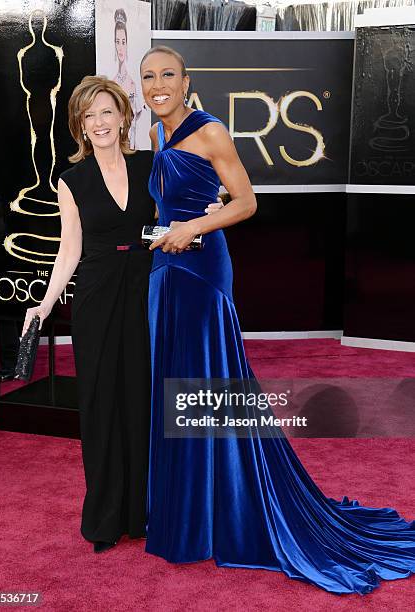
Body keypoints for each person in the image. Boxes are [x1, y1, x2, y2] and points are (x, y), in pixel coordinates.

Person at [140, 46, 415, 594]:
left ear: (187, 80)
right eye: (148, 77)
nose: (157, 84)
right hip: (163, 270)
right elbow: (167, 201)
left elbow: (246, 203)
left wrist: (194, 228)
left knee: (210, 383)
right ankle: (190, 511)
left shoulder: (210, 131)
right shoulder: (154, 135)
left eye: (168, 74)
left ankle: (231, 510)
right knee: (174, 387)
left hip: (200, 271)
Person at [23, 76, 155, 553]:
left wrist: (206, 212)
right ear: (79, 125)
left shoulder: (150, 167)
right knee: (100, 403)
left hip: (144, 291)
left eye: (106, 112)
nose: (98, 122)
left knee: (140, 398)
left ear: (123, 116)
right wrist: (44, 301)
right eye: (88, 115)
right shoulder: (71, 179)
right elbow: (68, 250)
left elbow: (174, 221)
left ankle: (141, 512)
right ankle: (104, 517)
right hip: (97, 297)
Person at [113, 8, 144, 150]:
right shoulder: (111, 84)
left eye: (123, 42)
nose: (120, 47)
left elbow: (137, 121)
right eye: (117, 41)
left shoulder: (134, 82)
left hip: (133, 149)